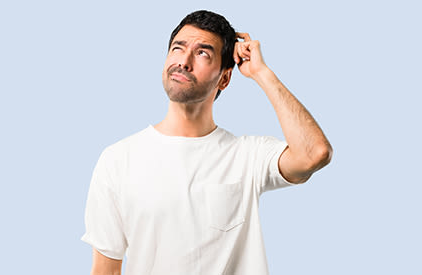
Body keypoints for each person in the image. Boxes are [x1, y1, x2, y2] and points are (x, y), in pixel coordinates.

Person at [82, 10, 332, 274]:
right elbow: (106, 270)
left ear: (224, 78)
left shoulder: (247, 156)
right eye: (178, 48)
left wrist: (261, 73)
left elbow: (315, 153)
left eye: (202, 53)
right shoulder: (118, 159)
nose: (184, 61)